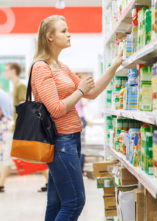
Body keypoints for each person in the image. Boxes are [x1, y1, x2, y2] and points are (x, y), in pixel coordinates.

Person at [31, 15, 122, 221]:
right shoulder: (41, 68)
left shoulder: (62, 67)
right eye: (63, 30)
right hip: (59, 141)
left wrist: (114, 66)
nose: (69, 33)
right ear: (50, 37)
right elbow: (56, 109)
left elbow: (92, 92)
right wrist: (79, 90)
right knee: (74, 203)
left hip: (71, 138)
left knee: (57, 203)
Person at [3, 62, 49, 192]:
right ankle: (1, 184)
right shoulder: (16, 86)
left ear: (13, 71)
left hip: (19, 128)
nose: (5, 73)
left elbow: (25, 106)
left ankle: (1, 184)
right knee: (12, 154)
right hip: (17, 127)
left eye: (6, 70)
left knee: (11, 154)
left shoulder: (20, 86)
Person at [0, 88, 13, 193]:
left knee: (3, 155)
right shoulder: (4, 93)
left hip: (3, 124)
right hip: (7, 123)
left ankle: (1, 183)